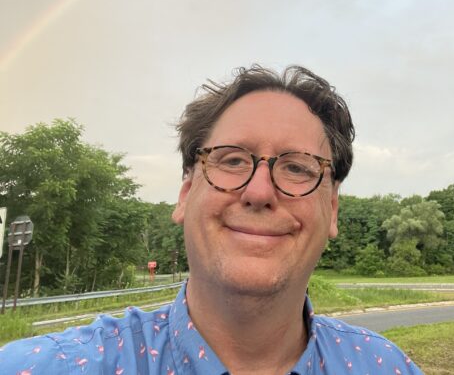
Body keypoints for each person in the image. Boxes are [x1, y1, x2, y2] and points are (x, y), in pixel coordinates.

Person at [0, 65, 424, 375]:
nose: (259, 192)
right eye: (232, 160)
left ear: (331, 210)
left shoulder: (388, 368)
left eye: (297, 168)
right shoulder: (47, 367)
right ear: (186, 194)